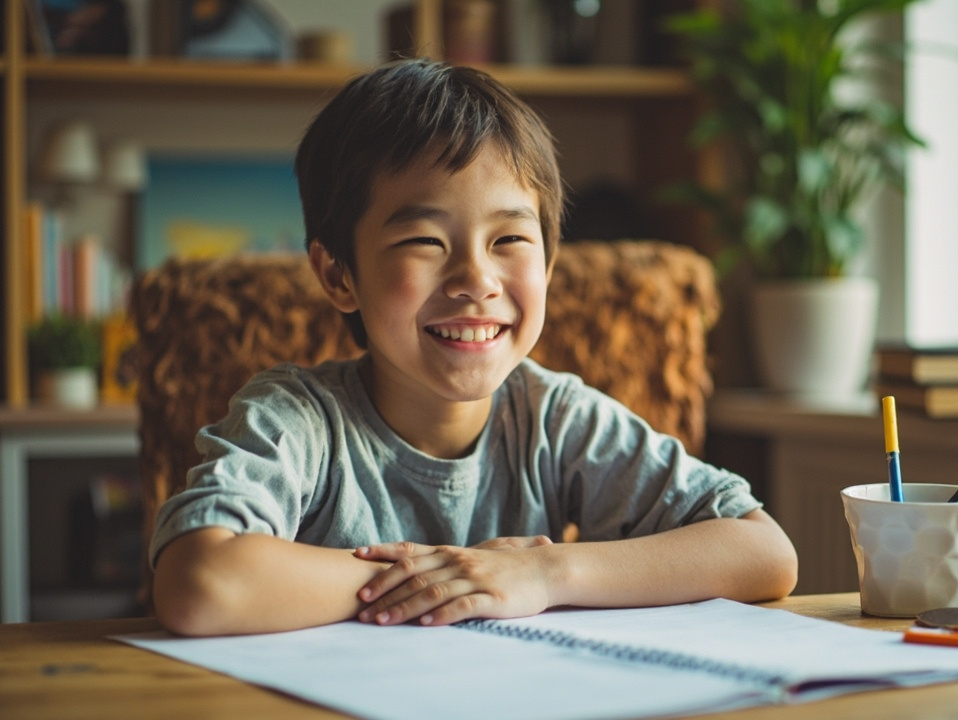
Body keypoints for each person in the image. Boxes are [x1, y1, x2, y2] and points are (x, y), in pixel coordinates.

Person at [150, 59, 798, 637]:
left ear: (548, 264)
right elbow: (202, 582)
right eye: (425, 242)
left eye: (510, 241)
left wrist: (542, 574)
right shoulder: (297, 420)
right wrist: (448, 577)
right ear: (338, 274)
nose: (476, 281)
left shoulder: (554, 418)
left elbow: (764, 553)